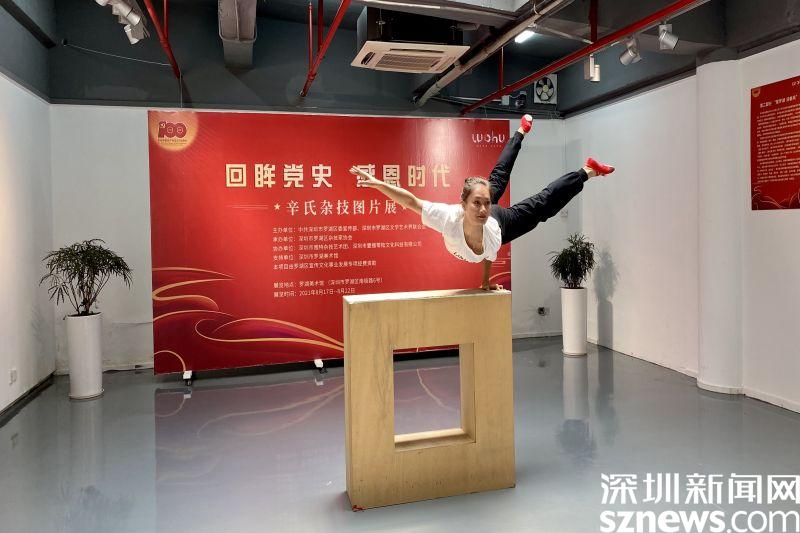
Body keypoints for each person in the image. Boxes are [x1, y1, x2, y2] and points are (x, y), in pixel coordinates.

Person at [349, 115, 615, 290]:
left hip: (501, 223)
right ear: (463, 204)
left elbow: (487, 249)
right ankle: (528, 137)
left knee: (537, 201)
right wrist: (378, 183)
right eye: (476, 203)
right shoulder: (448, 217)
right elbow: (411, 201)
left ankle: (584, 169)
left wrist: (485, 280)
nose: (483, 208)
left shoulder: (491, 225)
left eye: (486, 202)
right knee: (515, 189)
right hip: (491, 230)